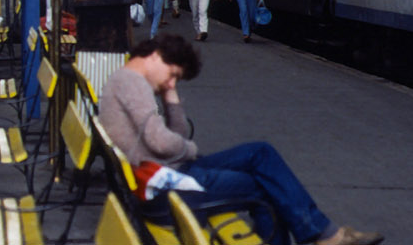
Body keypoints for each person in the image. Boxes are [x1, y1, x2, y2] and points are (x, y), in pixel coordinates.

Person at [101, 33, 382, 245]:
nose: (171, 82)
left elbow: (171, 136)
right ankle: (324, 235)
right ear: (156, 56)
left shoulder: (126, 79)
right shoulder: (132, 82)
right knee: (266, 188)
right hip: (168, 186)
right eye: (173, 74)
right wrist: (189, 148)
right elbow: (164, 142)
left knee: (260, 152)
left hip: (167, 175)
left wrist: (170, 97)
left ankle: (323, 232)